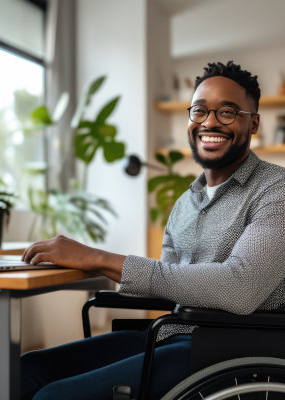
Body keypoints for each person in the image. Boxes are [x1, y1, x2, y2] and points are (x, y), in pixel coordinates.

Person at [20, 61, 285, 399]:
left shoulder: (276, 191)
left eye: (228, 112)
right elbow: (170, 283)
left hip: (232, 349)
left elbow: (239, 288)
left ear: (255, 122)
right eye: (200, 111)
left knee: (53, 396)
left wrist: (99, 258)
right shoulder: (186, 202)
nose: (210, 122)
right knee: (27, 371)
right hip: (174, 334)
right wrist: (80, 262)